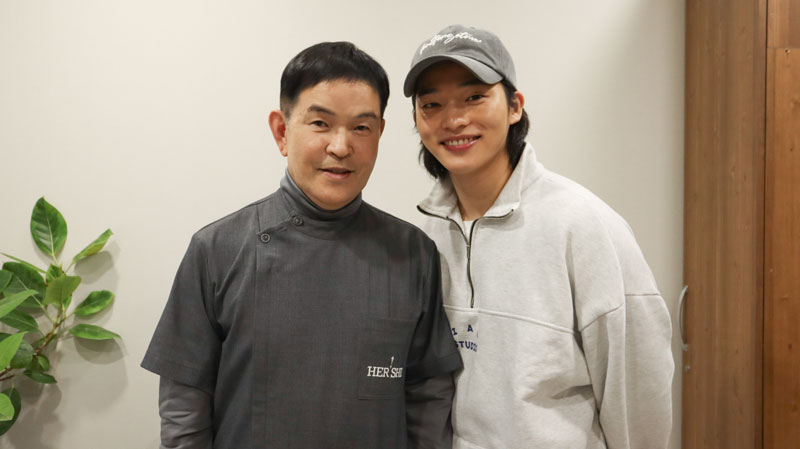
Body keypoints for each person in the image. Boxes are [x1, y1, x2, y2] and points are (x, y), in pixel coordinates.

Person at [142, 41, 462, 449]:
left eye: (361, 128)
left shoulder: (413, 252)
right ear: (282, 131)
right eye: (320, 124)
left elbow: (429, 395)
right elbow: (184, 410)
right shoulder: (217, 250)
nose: (341, 146)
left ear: (379, 134)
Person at [403, 25, 674, 449]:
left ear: (514, 106)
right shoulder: (426, 236)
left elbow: (639, 393)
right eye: (431, 105)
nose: (453, 120)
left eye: (474, 97)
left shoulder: (583, 225)